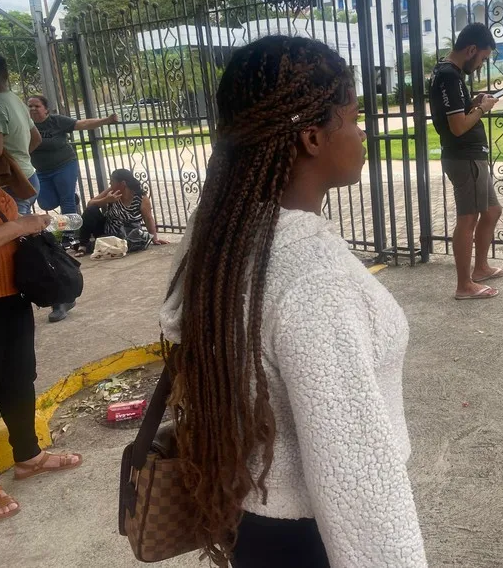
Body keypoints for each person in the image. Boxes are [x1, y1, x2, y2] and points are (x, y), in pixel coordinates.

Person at [159, 36, 426, 567]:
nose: (362, 132)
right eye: (352, 119)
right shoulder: (314, 278)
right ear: (312, 137)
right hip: (315, 541)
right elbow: (354, 472)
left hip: (252, 517)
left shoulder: (220, 235)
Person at [0, 184, 82, 521]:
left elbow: (26, 175)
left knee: (18, 380)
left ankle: (28, 456)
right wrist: (18, 226)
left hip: (10, 295)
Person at [429, 22, 503, 300]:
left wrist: (473, 102)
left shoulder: (448, 73)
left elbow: (456, 114)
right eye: (483, 58)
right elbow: (459, 127)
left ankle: (481, 268)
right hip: (465, 158)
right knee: (468, 219)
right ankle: (465, 285)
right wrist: (482, 109)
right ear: (472, 49)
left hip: (471, 156)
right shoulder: (449, 76)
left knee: (491, 211)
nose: (481, 64)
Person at [27, 94, 118, 217]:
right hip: (42, 171)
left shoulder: (56, 121)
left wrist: (106, 120)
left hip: (64, 165)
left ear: (46, 109)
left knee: (67, 201)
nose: (33, 109)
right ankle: (69, 194)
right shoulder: (26, 125)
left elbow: (84, 124)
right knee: (45, 203)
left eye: (37, 106)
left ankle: (69, 234)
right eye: (30, 106)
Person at [73, 169, 167, 257]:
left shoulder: (141, 198)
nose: (110, 183)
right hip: (107, 231)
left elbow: (148, 218)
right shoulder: (112, 191)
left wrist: (155, 238)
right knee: (91, 210)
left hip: (128, 236)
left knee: (117, 245)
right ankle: (83, 245)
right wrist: (106, 200)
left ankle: (97, 245)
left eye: (112, 181)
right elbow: (90, 204)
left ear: (122, 183)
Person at [0, 52, 42, 215]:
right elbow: (36, 138)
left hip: (11, 183)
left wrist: (12, 163)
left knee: (15, 235)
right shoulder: (14, 99)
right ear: (5, 74)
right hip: (28, 178)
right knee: (23, 232)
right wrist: (19, 158)